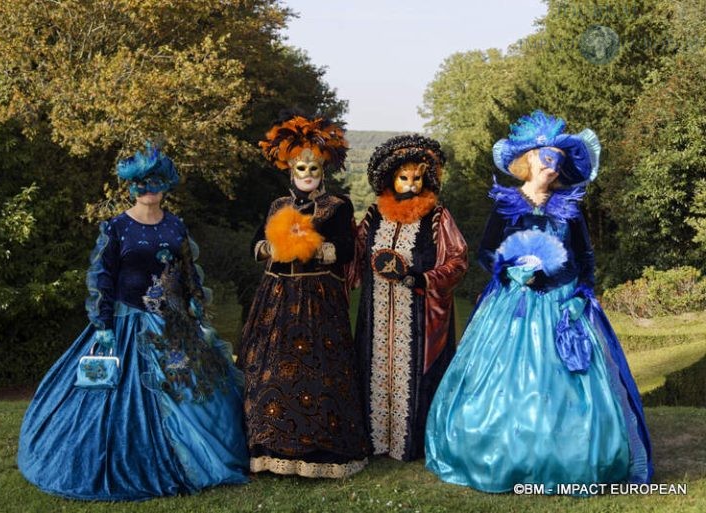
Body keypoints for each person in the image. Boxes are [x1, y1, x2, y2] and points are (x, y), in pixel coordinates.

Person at [425, 111, 653, 492]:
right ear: (529, 160)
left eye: (559, 161)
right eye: (547, 157)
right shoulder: (504, 205)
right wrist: (506, 271)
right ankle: (503, 453)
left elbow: (585, 261)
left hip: (563, 303)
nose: (553, 165)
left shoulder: (571, 208)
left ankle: (572, 455)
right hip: (512, 304)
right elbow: (485, 252)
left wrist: (583, 295)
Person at [18, 144, 248, 501]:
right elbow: (102, 280)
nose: (150, 189)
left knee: (201, 394)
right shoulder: (117, 228)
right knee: (101, 402)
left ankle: (203, 459)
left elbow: (188, 275)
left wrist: (195, 312)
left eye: (156, 182)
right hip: (124, 326)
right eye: (142, 182)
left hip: (173, 327)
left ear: (166, 185)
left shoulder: (176, 227)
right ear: (132, 186)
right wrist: (103, 325)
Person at [238, 113, 369, 478]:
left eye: (313, 168)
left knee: (318, 373)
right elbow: (256, 244)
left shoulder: (338, 206)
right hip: (276, 299)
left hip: (318, 300)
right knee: (271, 370)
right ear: (290, 171)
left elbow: (346, 249)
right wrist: (272, 247)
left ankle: (320, 452)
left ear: (322, 170)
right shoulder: (278, 205)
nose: (307, 174)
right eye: (301, 169)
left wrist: (315, 247)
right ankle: (268, 449)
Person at [349, 134, 468, 462]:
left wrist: (425, 278)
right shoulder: (375, 214)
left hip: (417, 313)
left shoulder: (437, 216)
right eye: (404, 177)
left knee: (414, 371)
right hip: (376, 313)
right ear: (391, 177)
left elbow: (458, 259)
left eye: (417, 177)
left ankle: (410, 443)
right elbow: (356, 251)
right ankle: (376, 441)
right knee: (373, 367)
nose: (411, 184)